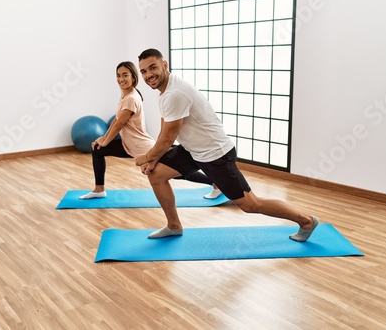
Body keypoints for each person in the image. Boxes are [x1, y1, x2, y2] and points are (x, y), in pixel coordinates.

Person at [135, 48, 319, 241]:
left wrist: (146, 157)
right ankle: (174, 226)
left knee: (250, 204)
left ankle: (305, 221)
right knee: (156, 175)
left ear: (165, 65)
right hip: (194, 149)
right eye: (144, 71)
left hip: (216, 154)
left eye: (153, 68)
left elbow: (167, 140)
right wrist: (153, 159)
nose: (149, 75)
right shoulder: (165, 92)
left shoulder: (175, 93)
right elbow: (164, 131)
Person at [79, 61, 221, 200]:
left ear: (133, 77)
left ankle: (216, 183)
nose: (121, 79)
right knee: (98, 150)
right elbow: (116, 120)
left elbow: (119, 124)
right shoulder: (125, 95)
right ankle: (99, 190)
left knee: (177, 173)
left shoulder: (131, 98)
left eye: (125, 75)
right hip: (128, 144)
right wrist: (103, 139)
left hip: (141, 146)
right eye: (118, 75)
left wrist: (105, 141)